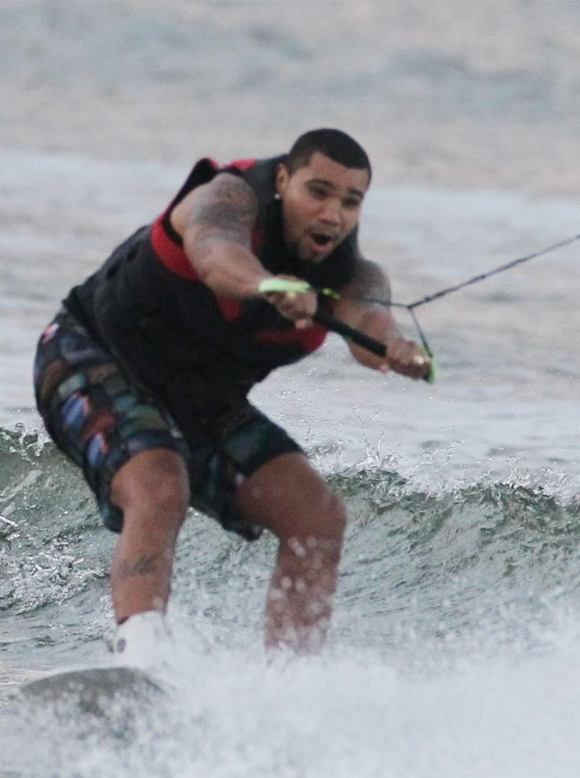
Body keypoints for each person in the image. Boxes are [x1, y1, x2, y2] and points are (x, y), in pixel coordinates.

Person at [33, 128, 430, 666]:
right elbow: (215, 255)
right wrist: (269, 286)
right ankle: (140, 660)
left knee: (316, 517)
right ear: (283, 180)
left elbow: (367, 317)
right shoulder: (224, 199)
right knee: (160, 480)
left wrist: (395, 348)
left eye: (350, 202)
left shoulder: (352, 274)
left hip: (200, 401)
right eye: (318, 192)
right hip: (91, 355)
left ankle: (289, 680)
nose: (332, 215)